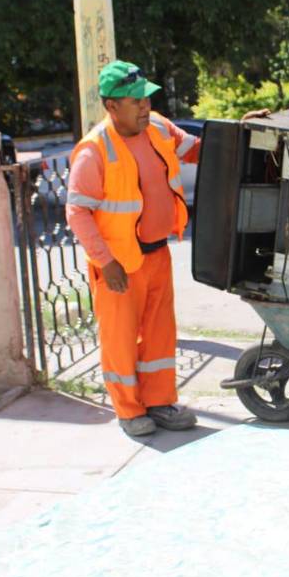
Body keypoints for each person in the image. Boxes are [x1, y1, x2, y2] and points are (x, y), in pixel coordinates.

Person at [65, 61, 202, 437]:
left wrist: (243, 129)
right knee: (121, 340)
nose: (144, 106)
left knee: (160, 335)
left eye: (146, 97)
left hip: (157, 253)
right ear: (112, 106)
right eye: (135, 100)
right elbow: (77, 212)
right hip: (119, 264)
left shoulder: (158, 127)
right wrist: (104, 261)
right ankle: (129, 410)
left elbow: (197, 150)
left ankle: (159, 403)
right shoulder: (95, 150)